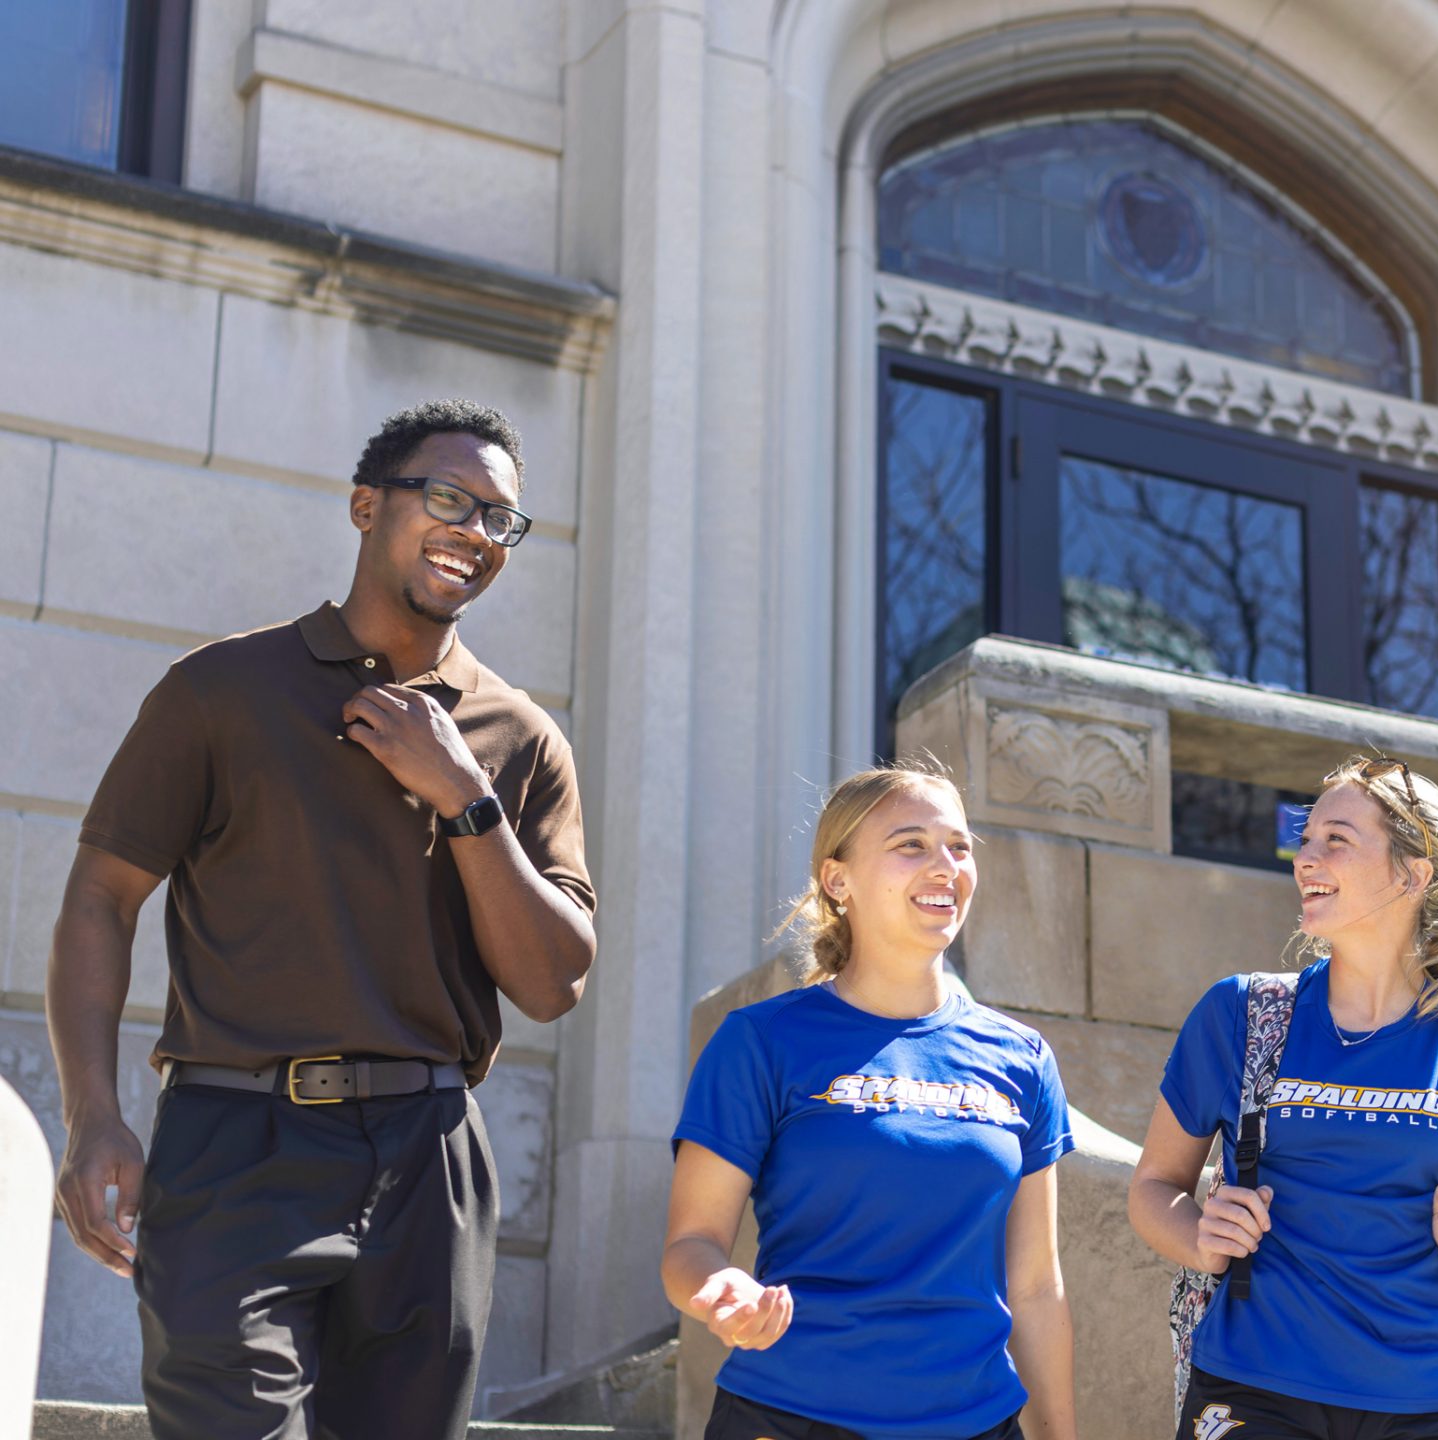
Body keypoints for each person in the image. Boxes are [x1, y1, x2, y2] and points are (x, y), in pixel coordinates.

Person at [46, 398, 597, 1439]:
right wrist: (91, 1116)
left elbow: (551, 981)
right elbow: (99, 898)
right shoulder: (221, 691)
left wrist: (465, 798)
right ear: (363, 506)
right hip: (234, 1139)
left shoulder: (520, 740)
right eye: (447, 498)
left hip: (429, 1153)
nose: (474, 533)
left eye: (498, 519)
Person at [1129, 757, 1438, 1440]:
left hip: (1429, 1399)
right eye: (1305, 836)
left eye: (1336, 840)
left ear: (1415, 874)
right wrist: (1200, 1237)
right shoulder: (1241, 1013)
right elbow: (1154, 1186)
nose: (1304, 858)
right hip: (1251, 1389)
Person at [665, 762, 1079, 1440]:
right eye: (911, 844)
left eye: (959, 845)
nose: (945, 864)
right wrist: (723, 1290)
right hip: (788, 1414)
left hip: (974, 1422)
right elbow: (690, 1245)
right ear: (838, 881)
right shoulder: (762, 1041)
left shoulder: (1023, 1059)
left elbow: (1036, 1288)